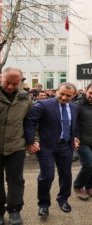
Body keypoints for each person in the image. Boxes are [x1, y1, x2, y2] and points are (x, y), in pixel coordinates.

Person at [24, 82, 80, 218]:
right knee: (47, 176)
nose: (64, 97)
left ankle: (63, 199)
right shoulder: (43, 105)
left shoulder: (75, 107)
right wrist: (31, 142)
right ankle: (43, 205)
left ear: (74, 96)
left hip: (66, 146)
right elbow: (30, 122)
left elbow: (76, 124)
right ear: (56, 91)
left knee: (66, 175)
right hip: (46, 147)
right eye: (62, 94)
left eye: (68, 95)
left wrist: (76, 137)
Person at [0, 67, 31, 225]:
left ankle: (14, 211)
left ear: (20, 82)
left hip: (16, 146)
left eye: (15, 83)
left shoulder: (25, 98)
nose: (11, 86)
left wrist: (33, 140)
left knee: (16, 180)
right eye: (7, 82)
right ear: (0, 78)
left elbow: (30, 123)